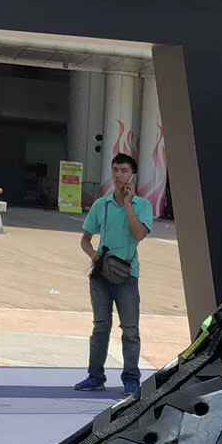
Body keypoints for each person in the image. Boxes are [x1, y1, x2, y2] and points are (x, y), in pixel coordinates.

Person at [75, 153, 155, 394]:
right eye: (115, 171)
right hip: (101, 275)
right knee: (101, 326)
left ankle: (131, 378)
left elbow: (139, 234)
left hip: (127, 275)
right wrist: (93, 255)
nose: (119, 176)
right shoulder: (101, 205)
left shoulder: (143, 205)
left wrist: (129, 204)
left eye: (124, 171)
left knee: (130, 329)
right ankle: (95, 376)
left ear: (132, 175)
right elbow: (85, 240)